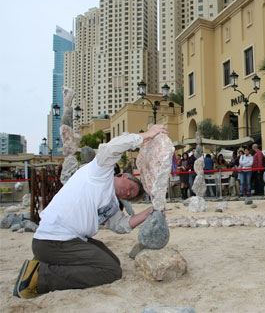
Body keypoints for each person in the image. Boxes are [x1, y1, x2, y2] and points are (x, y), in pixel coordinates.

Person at [14, 125, 169, 299]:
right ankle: (38, 278)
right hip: (53, 240)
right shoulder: (100, 172)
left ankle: (45, 262)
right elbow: (112, 147)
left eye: (131, 195)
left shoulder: (111, 203)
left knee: (113, 262)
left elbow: (121, 225)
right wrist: (147, 135)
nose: (128, 193)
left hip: (69, 240)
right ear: (124, 176)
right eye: (131, 187)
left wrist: (150, 212)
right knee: (111, 271)